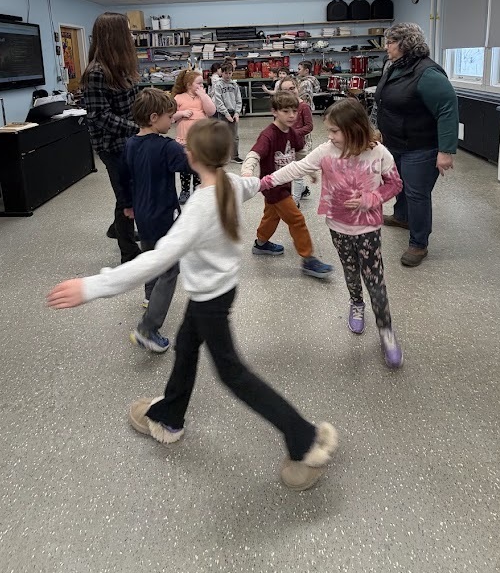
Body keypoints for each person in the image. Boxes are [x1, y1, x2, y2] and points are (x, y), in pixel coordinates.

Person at [47, 120, 338, 492]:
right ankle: (169, 415)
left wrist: (91, 287)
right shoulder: (232, 183)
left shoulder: (200, 207)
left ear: (191, 157)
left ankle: (305, 438)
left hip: (210, 300)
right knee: (185, 349)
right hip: (219, 292)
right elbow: (258, 182)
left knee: (232, 374)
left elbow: (153, 260)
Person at [260, 98, 404, 368]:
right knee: (350, 270)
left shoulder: (379, 153)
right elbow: (296, 168)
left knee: (375, 279)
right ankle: (356, 303)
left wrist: (371, 199)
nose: (330, 136)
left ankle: (386, 331)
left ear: (355, 128)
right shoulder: (327, 151)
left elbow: (394, 184)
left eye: (335, 131)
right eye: (328, 131)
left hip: (368, 227)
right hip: (337, 225)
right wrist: (263, 182)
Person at [373, 22, 458, 268]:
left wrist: (445, 151)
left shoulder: (428, 73)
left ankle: (419, 243)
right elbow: (387, 102)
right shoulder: (394, 67)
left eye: (390, 42)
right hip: (395, 142)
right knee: (398, 184)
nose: (386, 46)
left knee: (417, 193)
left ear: (405, 43)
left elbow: (447, 111)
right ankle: (402, 217)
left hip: (421, 146)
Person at [120, 88, 195, 353]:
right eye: (169, 117)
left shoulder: (130, 143)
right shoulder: (168, 146)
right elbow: (188, 166)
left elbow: (125, 178)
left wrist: (128, 205)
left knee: (149, 258)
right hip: (164, 216)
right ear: (154, 117)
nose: (172, 121)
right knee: (170, 269)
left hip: (142, 214)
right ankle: (148, 328)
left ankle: (150, 298)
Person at [242, 90, 333, 281]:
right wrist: (247, 172)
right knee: (297, 219)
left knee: (272, 216)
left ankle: (261, 243)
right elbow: (254, 154)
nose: (291, 115)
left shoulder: (292, 132)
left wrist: (310, 172)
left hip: (286, 184)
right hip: (273, 186)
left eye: (294, 111)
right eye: (285, 111)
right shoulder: (268, 134)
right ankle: (308, 259)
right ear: (274, 111)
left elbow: (300, 155)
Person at [81, 11, 142, 264]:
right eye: (126, 31)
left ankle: (118, 229)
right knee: (126, 196)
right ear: (115, 36)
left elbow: (131, 99)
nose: (130, 35)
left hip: (128, 141)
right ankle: (128, 253)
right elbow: (98, 116)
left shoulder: (121, 67)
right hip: (112, 145)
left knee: (130, 191)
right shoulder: (97, 72)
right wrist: (135, 128)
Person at [172, 69, 216, 204]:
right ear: (188, 84)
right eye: (199, 83)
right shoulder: (178, 98)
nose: (201, 86)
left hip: (200, 140)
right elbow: (170, 117)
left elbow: (212, 111)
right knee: (185, 165)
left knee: (199, 165)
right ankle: (185, 190)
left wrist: (203, 96)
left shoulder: (202, 97)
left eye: (202, 84)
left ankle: (198, 189)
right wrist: (181, 113)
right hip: (184, 139)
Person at [278, 76, 313, 205]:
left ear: (298, 88)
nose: (290, 92)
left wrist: (293, 133)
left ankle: (294, 202)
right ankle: (302, 190)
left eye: (292, 88)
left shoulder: (303, 106)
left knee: (296, 174)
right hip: (286, 146)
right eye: (285, 90)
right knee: (288, 171)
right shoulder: (281, 107)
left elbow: (309, 126)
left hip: (300, 146)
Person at [213, 63, 243, 163]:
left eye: (230, 73)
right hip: (223, 114)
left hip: (233, 113)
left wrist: (237, 113)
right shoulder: (218, 85)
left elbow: (239, 100)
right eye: (226, 73)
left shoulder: (235, 85)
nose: (228, 75)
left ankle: (234, 156)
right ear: (221, 73)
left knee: (235, 136)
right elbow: (218, 101)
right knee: (222, 136)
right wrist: (226, 114)